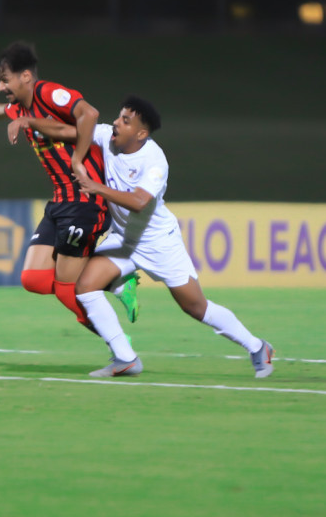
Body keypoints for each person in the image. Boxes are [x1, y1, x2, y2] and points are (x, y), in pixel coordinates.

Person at [68, 95, 274, 378]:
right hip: (124, 240)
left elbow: (139, 201)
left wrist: (96, 188)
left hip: (158, 242)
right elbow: (72, 131)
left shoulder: (154, 160)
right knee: (85, 287)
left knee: (195, 306)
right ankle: (125, 359)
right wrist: (28, 122)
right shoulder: (107, 136)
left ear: (141, 133)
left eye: (125, 120)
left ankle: (258, 347)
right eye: (119, 116)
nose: (116, 122)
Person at [0, 40, 139, 326]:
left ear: (26, 77)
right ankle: (115, 281)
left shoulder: (48, 93)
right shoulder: (18, 108)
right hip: (60, 198)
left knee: (67, 288)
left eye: (5, 81)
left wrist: (77, 158)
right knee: (34, 279)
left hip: (84, 197)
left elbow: (89, 115)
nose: (1, 87)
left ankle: (120, 347)